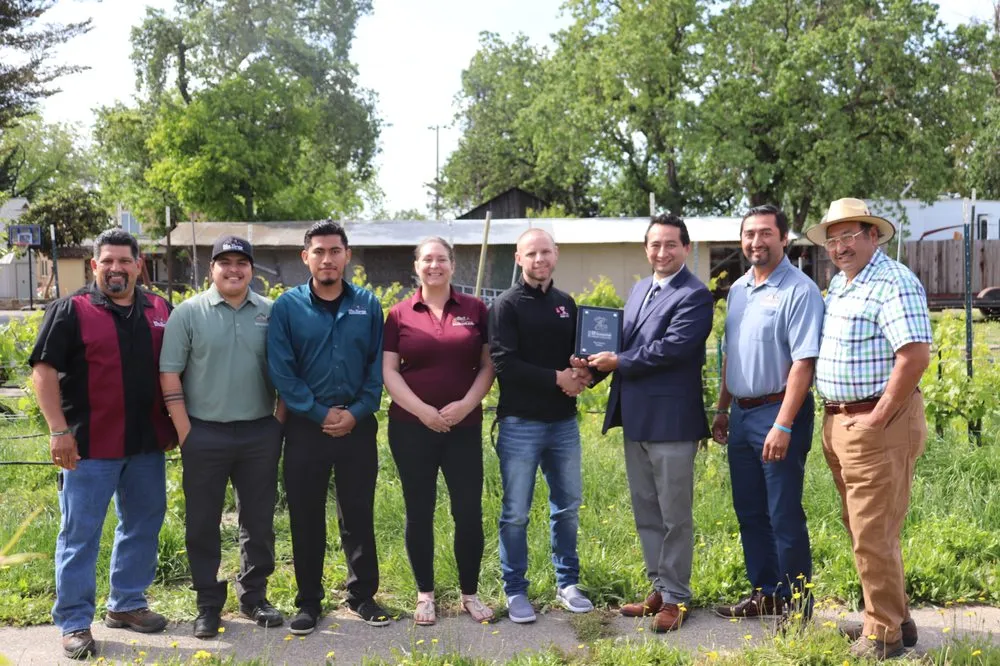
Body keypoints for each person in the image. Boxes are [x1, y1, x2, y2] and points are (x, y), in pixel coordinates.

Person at [29, 229, 173, 660]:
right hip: (88, 446)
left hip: (147, 444)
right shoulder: (71, 310)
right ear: (95, 266)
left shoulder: (160, 308)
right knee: (80, 534)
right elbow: (43, 371)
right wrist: (58, 430)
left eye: (124, 261)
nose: (115, 268)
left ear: (138, 264)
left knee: (143, 524)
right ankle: (74, 622)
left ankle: (126, 604)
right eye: (106, 261)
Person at [806, 198, 931, 660]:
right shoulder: (841, 283)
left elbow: (915, 355)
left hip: (877, 422)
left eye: (849, 236)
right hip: (841, 420)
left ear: (872, 236)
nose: (840, 246)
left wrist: (877, 417)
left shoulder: (893, 281)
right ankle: (896, 616)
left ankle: (883, 635)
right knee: (865, 526)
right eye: (833, 239)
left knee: (872, 531)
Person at [585, 213, 713, 633]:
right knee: (647, 511)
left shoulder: (695, 295)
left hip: (672, 422)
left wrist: (617, 360)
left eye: (671, 245)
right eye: (655, 245)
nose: (662, 252)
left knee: (675, 514)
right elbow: (621, 344)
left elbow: (671, 350)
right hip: (637, 418)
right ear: (646, 249)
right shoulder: (641, 289)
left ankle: (676, 598)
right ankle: (658, 586)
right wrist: (587, 365)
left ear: (686, 248)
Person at [267, 220, 389, 635]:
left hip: (358, 426)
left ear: (347, 255)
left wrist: (356, 412)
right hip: (305, 429)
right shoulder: (287, 307)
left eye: (335, 251)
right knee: (305, 517)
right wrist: (319, 414)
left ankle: (363, 596)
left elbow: (377, 368)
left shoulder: (368, 305)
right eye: (318, 251)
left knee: (357, 514)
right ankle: (308, 603)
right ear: (306, 257)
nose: (327, 259)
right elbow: (282, 372)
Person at [159, 235, 284, 638]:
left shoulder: (271, 312)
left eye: (241, 263)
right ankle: (208, 604)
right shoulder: (189, 313)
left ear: (251, 268)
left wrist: (277, 422)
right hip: (203, 433)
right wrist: (184, 431)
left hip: (259, 433)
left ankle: (254, 596)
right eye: (224, 262)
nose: (233, 270)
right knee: (202, 523)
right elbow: (169, 372)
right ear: (211, 268)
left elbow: (287, 371)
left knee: (259, 521)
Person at [710, 205, 824, 622]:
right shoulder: (739, 289)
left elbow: (803, 364)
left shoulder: (799, 290)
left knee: (783, 513)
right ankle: (766, 592)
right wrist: (723, 409)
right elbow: (731, 355)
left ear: (784, 239)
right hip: (741, 415)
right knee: (751, 511)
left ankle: (798, 605)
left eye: (765, 234)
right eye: (749, 234)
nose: (756, 241)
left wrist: (783, 423)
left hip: (779, 412)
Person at [382, 237, 496, 626]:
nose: (435, 265)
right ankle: (425, 595)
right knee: (420, 511)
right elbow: (389, 372)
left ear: (452, 265)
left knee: (468, 512)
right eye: (427, 259)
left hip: (464, 428)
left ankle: (470, 594)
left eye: (442, 259)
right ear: (416, 266)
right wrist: (424, 411)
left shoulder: (476, 309)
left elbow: (487, 366)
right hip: (411, 427)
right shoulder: (398, 314)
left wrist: (465, 405)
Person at [488, 228, 593, 624]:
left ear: (556, 254)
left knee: (566, 508)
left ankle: (567, 583)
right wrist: (557, 379)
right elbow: (504, 363)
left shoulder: (567, 304)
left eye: (545, 252)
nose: (539, 260)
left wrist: (586, 378)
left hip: (563, 424)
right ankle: (515, 589)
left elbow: (584, 357)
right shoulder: (506, 306)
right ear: (518, 258)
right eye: (531, 253)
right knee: (515, 512)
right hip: (520, 425)